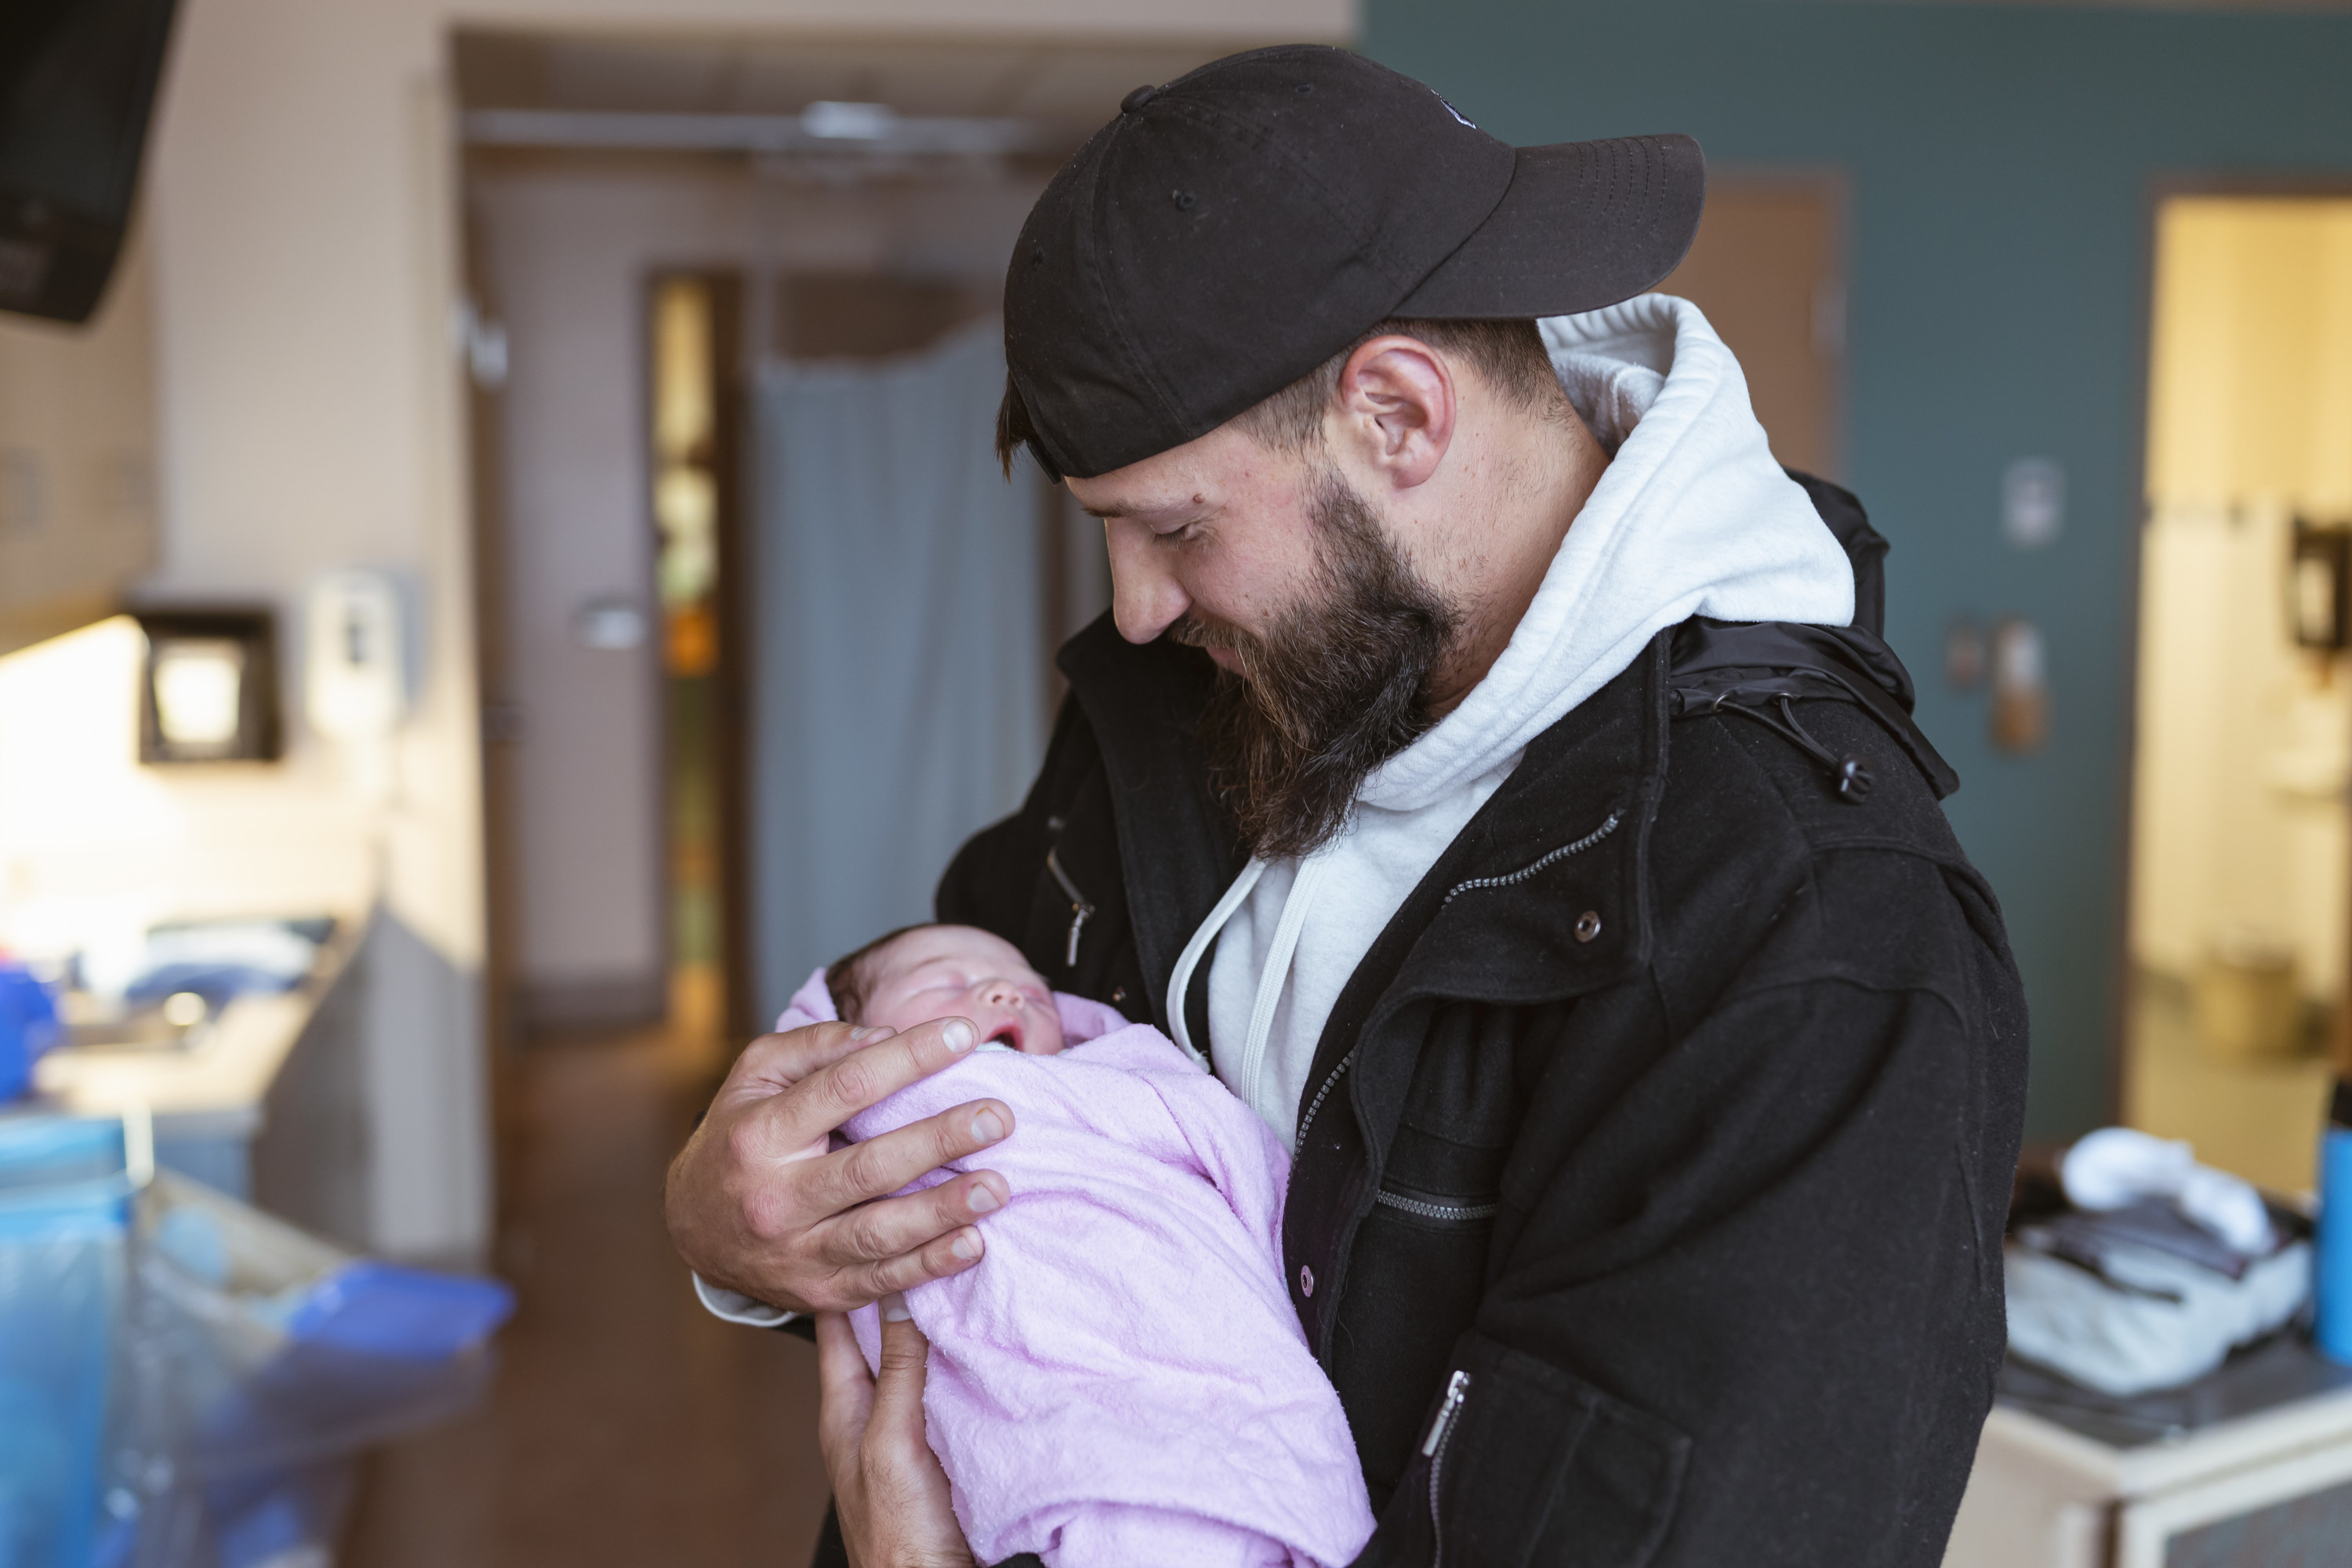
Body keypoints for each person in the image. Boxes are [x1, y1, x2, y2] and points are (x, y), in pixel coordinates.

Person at [666, 44, 2028, 1568]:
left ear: (1396, 412)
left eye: (1174, 526)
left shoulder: (1812, 938)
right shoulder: (1242, 682)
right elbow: (1026, 1188)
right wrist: (749, 1234)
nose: (1131, 611)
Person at [787, 923, 1374, 1568]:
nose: (1006, 992)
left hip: (1200, 1356)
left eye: (1035, 992)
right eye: (945, 982)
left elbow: (1233, 1149)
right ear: (849, 1035)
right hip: (1051, 1402)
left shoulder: (1114, 1083)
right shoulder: (867, 1132)